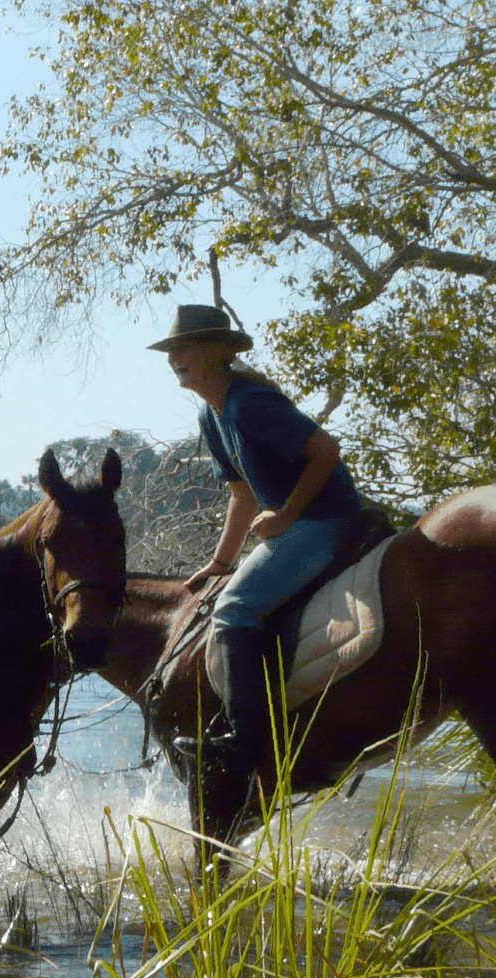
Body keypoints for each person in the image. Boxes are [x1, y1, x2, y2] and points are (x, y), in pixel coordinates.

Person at [153, 304, 362, 774]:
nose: (174, 357)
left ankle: (248, 742)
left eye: (184, 347)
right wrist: (221, 562)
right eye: (170, 349)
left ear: (218, 352)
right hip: (299, 524)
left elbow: (326, 451)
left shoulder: (250, 403)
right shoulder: (212, 415)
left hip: (327, 519)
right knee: (227, 593)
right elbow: (243, 494)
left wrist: (288, 514)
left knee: (235, 609)